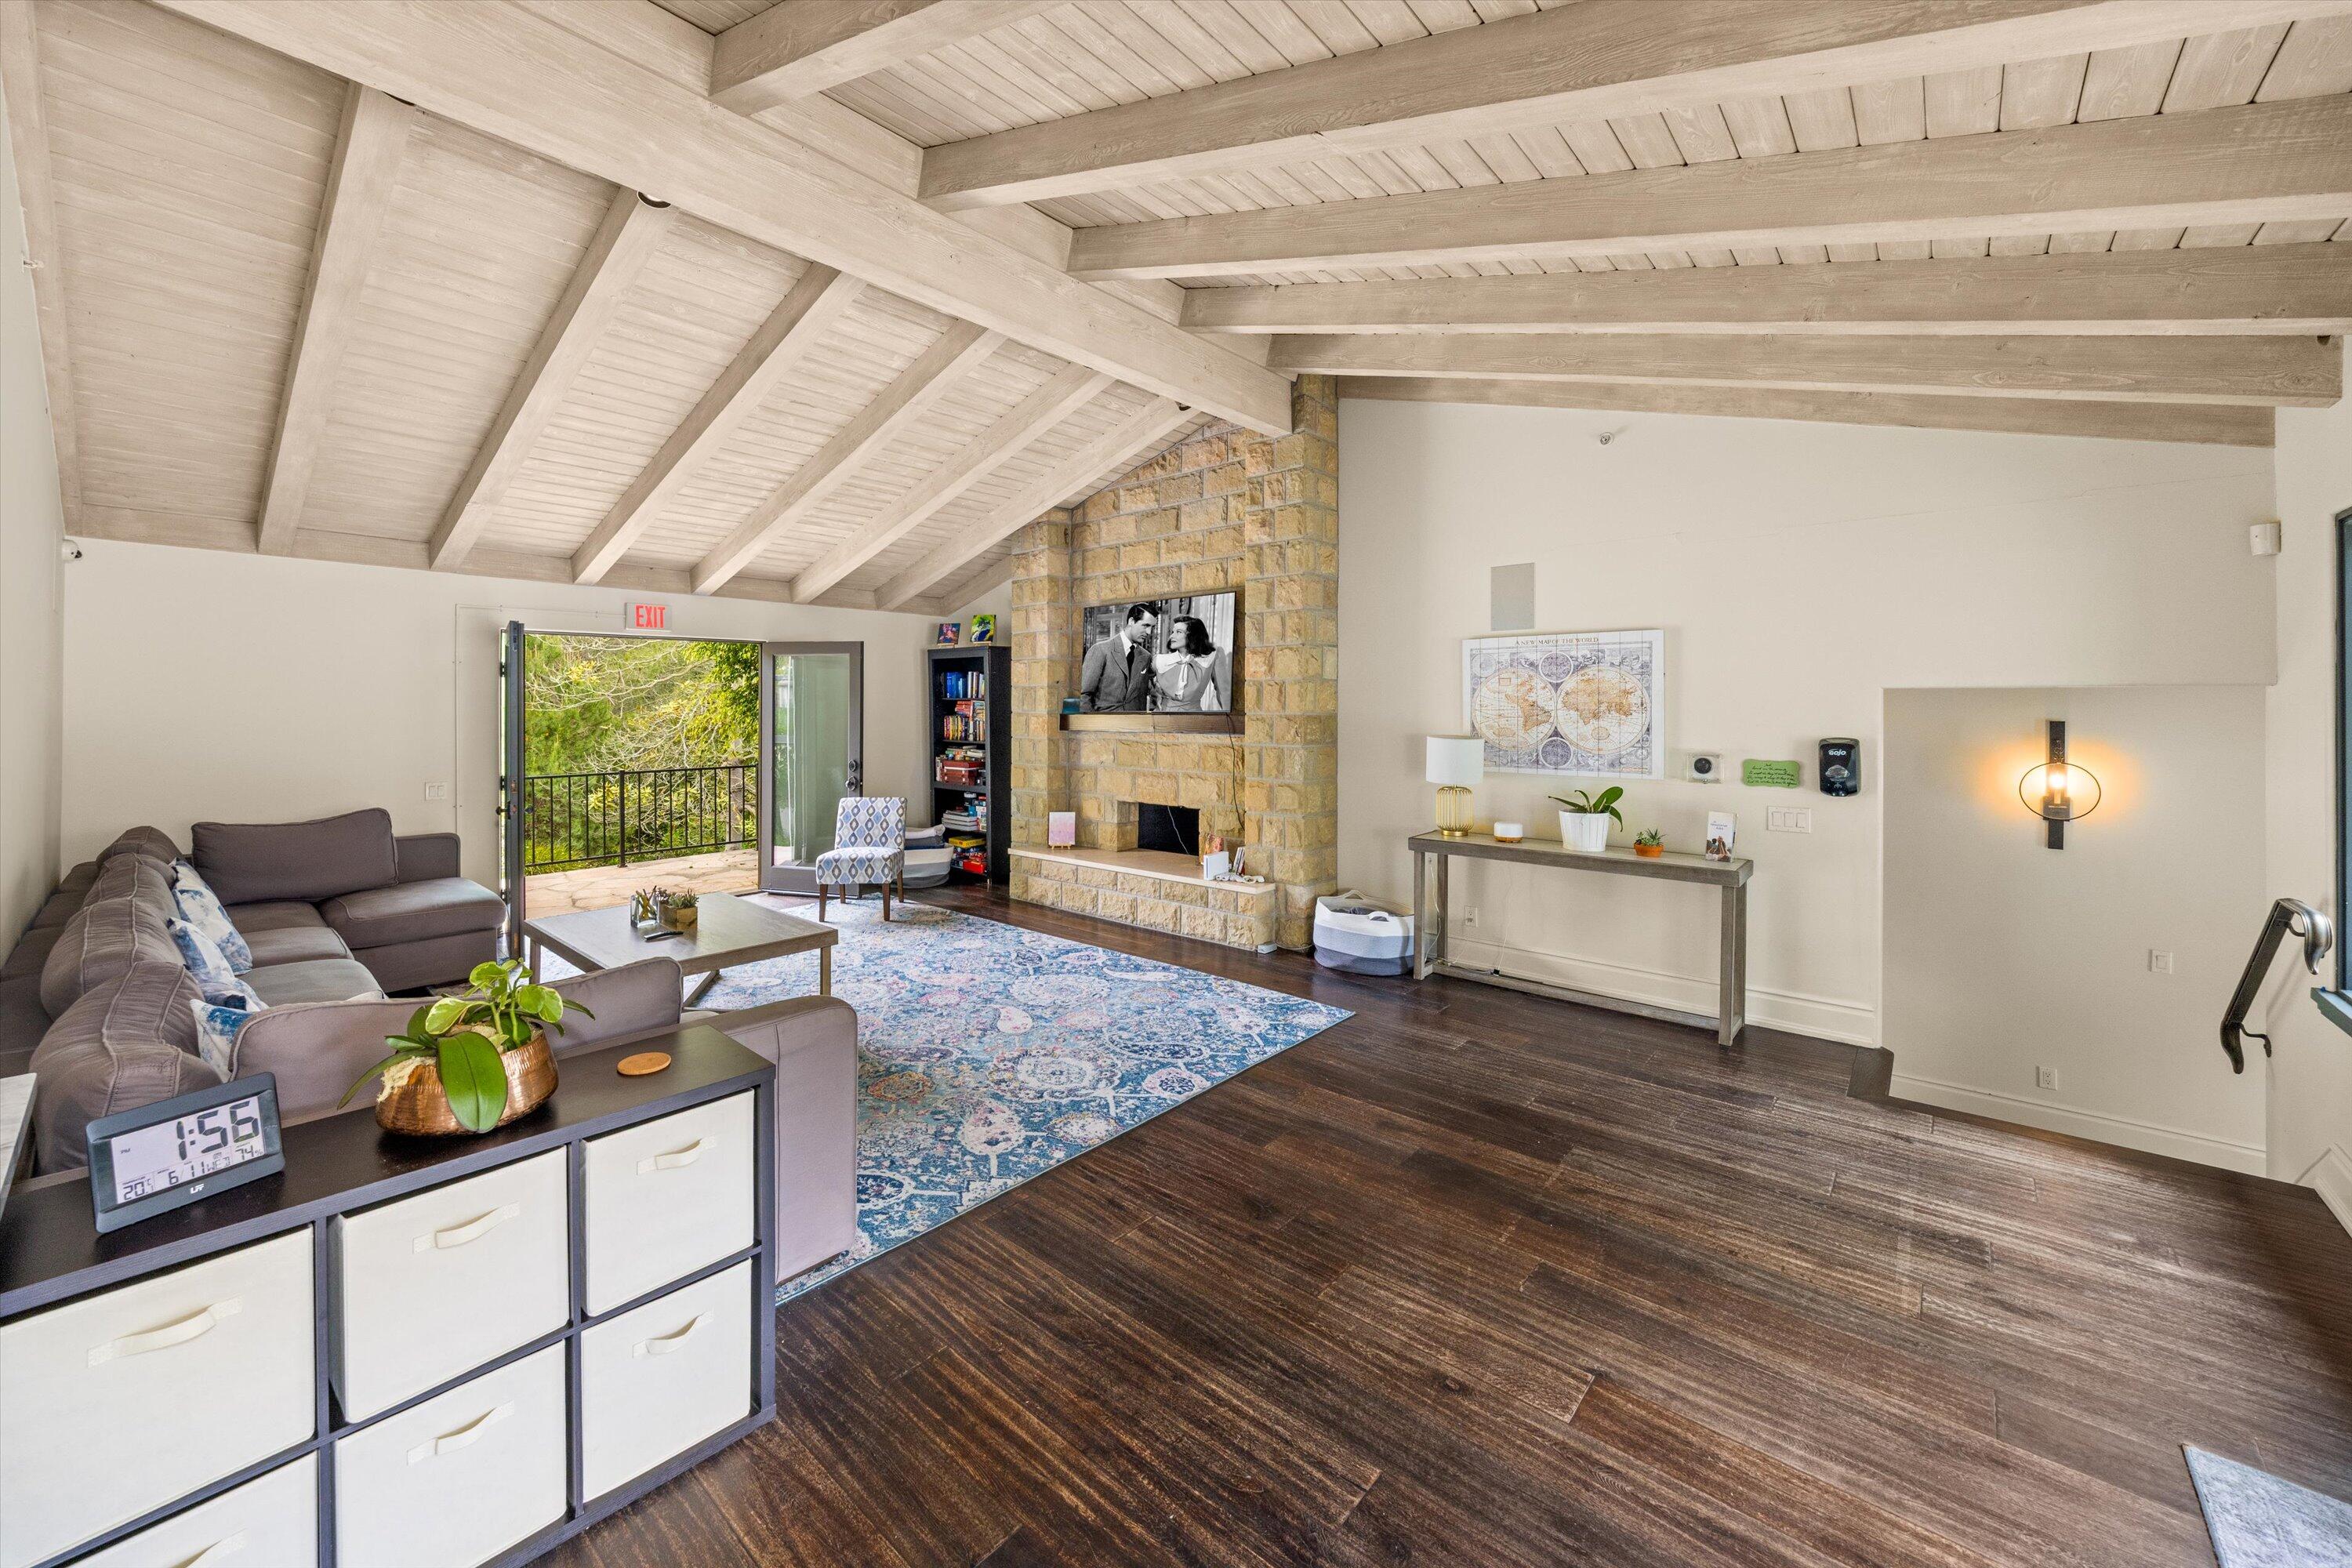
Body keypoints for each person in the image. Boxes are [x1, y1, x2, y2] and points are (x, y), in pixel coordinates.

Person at [1079, 603, 1158, 712]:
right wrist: (1092, 725)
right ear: (1131, 621)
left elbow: (1144, 690)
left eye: (1152, 627)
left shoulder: (1146, 656)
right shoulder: (1100, 650)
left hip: (1135, 725)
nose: (1149, 632)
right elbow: (1084, 695)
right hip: (1104, 724)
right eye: (1146, 625)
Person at [1152, 615, 1228, 712]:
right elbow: (1143, 683)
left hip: (1195, 719)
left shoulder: (1212, 657)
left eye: (1178, 632)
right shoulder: (1159, 660)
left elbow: (1224, 693)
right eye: (1173, 632)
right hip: (1162, 716)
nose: (1172, 636)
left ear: (1193, 636)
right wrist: (1155, 694)